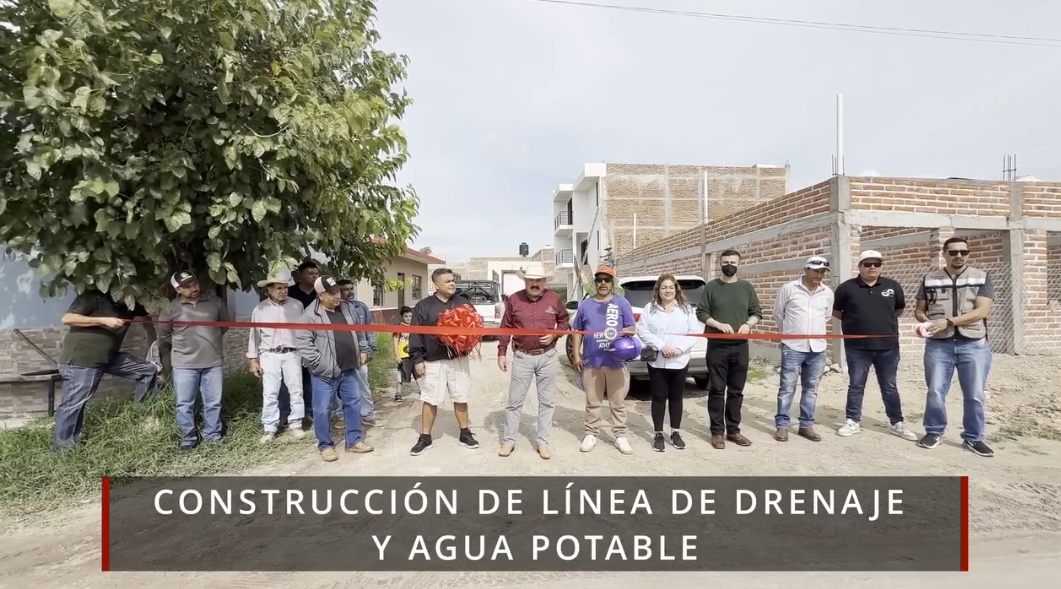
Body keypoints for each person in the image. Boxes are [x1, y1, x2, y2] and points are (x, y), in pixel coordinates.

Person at [914, 237, 996, 457]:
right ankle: (934, 431)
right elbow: (920, 309)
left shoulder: (981, 277)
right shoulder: (930, 278)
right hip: (939, 345)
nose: (959, 255)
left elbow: (982, 311)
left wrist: (948, 322)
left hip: (974, 345)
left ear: (968, 253)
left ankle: (974, 438)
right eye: (953, 252)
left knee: (975, 394)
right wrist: (926, 323)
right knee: (935, 391)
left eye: (963, 251)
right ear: (945, 254)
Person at [51, 289, 159, 451]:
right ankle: (62, 450)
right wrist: (104, 321)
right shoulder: (94, 297)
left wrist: (155, 343)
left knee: (147, 370)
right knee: (74, 404)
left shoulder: (132, 304)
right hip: (83, 359)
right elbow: (68, 318)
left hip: (108, 357)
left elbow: (147, 319)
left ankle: (143, 417)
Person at [832, 250, 918, 441]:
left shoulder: (893, 286)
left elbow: (898, 309)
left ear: (881, 266)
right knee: (856, 385)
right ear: (860, 266)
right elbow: (837, 312)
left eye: (876, 264)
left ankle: (897, 423)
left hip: (887, 347)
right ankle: (852, 421)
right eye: (867, 264)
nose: (872, 267)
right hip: (857, 347)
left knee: (889, 386)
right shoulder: (846, 288)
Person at [294, 275, 374, 462]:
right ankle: (325, 445)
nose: (337, 296)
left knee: (353, 405)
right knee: (322, 410)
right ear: (320, 295)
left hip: (349, 369)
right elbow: (305, 346)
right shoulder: (308, 316)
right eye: (331, 293)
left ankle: (353, 441)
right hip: (324, 374)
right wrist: (322, 365)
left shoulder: (347, 309)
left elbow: (359, 331)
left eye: (337, 291)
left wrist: (363, 349)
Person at [497, 263, 569, 460]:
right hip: (522, 357)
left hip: (547, 357)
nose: (535, 284)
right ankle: (509, 441)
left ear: (544, 282)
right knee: (514, 402)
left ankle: (543, 442)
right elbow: (506, 327)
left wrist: (555, 334)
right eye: (531, 280)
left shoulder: (554, 298)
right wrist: (502, 352)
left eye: (539, 280)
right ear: (525, 281)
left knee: (547, 402)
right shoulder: (514, 300)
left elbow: (564, 321)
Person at [407, 268, 479, 456]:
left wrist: (468, 345)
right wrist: (417, 360)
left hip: (458, 360)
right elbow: (415, 334)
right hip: (433, 362)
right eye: (447, 281)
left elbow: (475, 327)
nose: (452, 283)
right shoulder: (423, 306)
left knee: (461, 396)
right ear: (436, 285)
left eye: (453, 280)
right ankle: (425, 437)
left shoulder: (463, 303)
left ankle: (465, 433)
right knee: (430, 399)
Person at [695, 249, 763, 449]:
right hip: (717, 346)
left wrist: (748, 324)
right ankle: (717, 432)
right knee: (717, 389)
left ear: (739, 264)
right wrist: (717, 324)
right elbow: (701, 312)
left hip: (740, 346)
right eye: (725, 262)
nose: (728, 265)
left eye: (732, 262)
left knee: (736, 391)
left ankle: (733, 430)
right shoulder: (711, 287)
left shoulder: (746, 288)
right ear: (720, 264)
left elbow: (757, 312)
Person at [156, 271, 230, 451]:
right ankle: (188, 438)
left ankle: (213, 436)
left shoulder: (216, 303)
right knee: (184, 403)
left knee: (213, 402)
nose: (194, 289)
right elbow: (164, 335)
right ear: (178, 289)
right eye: (187, 287)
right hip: (184, 365)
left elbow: (224, 326)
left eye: (195, 284)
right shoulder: (170, 308)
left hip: (212, 362)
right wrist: (185, 346)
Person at [570, 264, 637, 455]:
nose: (603, 283)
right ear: (595, 283)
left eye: (607, 280)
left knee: (618, 402)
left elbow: (632, 327)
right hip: (592, 361)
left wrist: (627, 331)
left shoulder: (622, 303)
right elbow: (577, 331)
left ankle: (620, 435)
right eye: (599, 280)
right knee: (592, 401)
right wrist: (576, 354)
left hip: (616, 361)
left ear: (612, 283)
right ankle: (591, 433)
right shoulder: (586, 305)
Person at [635, 273, 701, 452]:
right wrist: (661, 346)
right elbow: (642, 330)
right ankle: (658, 433)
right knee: (658, 397)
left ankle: (675, 432)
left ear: (676, 289)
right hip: (658, 361)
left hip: (679, 360)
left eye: (671, 287)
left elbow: (694, 331)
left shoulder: (686, 308)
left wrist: (679, 349)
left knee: (676, 397)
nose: (668, 290)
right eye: (664, 287)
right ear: (658, 289)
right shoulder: (650, 308)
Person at [771, 256, 834, 442]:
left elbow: (827, 316)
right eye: (816, 271)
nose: (819, 275)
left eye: (822, 272)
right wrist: (790, 333)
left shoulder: (828, 293)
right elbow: (777, 314)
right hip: (793, 347)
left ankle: (806, 425)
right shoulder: (789, 289)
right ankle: (782, 425)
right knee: (787, 387)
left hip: (817, 349)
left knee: (811, 389)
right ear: (806, 270)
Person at [247, 267, 306, 443]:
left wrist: (305, 353)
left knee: (296, 390)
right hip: (269, 355)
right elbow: (254, 335)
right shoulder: (260, 309)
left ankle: (296, 424)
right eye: (279, 288)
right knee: (270, 392)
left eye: (285, 287)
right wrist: (253, 359)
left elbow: (303, 332)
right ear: (269, 290)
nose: (283, 291)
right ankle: (270, 428)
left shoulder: (297, 305)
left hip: (292, 353)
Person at [277, 259, 320, 429]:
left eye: (316, 273)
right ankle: (285, 413)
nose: (314, 276)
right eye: (310, 273)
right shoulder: (291, 294)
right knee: (289, 382)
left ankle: (308, 411)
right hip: (293, 343)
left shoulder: (320, 293)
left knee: (311, 380)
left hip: (317, 342)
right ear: (300, 275)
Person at [338, 278, 378, 427]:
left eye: (351, 288)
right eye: (346, 289)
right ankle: (343, 416)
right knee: (341, 385)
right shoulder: (334, 309)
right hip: (342, 353)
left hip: (360, 352)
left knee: (363, 383)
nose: (350, 292)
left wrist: (370, 349)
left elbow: (369, 328)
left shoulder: (360, 307)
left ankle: (367, 413)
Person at [393, 306, 416, 401]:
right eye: (406, 316)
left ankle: (423, 390)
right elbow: (395, 341)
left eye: (410, 316)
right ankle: (398, 393)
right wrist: (397, 355)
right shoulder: (398, 328)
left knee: (417, 373)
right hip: (403, 355)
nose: (408, 318)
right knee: (401, 374)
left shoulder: (414, 327)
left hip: (414, 354)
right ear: (402, 316)